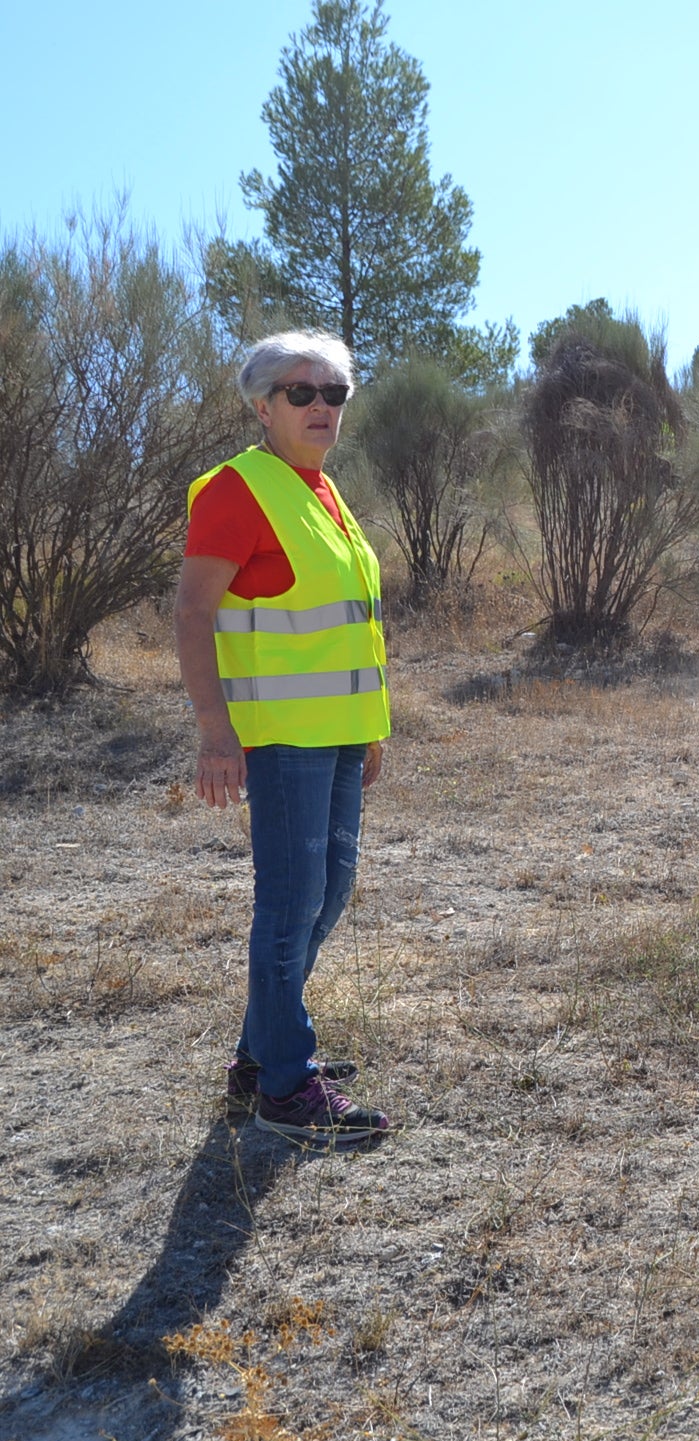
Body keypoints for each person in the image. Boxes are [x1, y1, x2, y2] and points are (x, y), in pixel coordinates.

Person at [175, 330, 393, 1147]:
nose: (321, 407)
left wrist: (370, 730)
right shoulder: (239, 490)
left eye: (334, 393)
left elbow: (351, 630)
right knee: (291, 903)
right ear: (262, 405)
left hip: (337, 736)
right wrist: (212, 730)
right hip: (280, 739)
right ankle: (285, 1091)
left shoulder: (323, 494)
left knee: (326, 897)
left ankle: (262, 1061)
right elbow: (194, 611)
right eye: (302, 393)